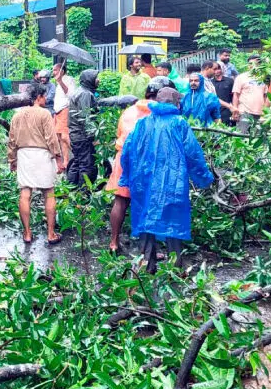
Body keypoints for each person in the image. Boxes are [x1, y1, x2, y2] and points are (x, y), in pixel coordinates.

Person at [119, 87, 213, 274]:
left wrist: (127, 177)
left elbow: (127, 152)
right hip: (172, 183)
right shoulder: (179, 123)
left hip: (143, 183)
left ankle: (147, 265)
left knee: (146, 221)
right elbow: (192, 153)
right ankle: (174, 269)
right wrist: (204, 178)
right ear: (176, 103)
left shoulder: (142, 123)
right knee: (173, 224)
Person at [106, 77, 173, 252]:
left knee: (120, 201)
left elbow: (120, 134)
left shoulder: (129, 111)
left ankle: (113, 242)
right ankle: (148, 251)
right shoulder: (160, 114)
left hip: (123, 159)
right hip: (146, 162)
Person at [7, 83, 65, 244]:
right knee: (49, 193)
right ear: (38, 97)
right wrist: (59, 159)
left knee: (25, 193)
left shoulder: (17, 115)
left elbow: (11, 141)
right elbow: (51, 139)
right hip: (42, 155)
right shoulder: (44, 114)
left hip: (24, 155)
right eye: (44, 96)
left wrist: (12, 160)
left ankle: (27, 233)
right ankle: (51, 233)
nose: (46, 98)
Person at [67, 69, 99, 187]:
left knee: (78, 162)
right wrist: (93, 136)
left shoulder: (81, 91)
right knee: (86, 165)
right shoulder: (85, 94)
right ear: (89, 79)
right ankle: (82, 195)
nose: (98, 80)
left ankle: (69, 189)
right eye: (96, 78)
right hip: (82, 135)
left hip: (76, 134)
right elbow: (86, 117)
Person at [232, 57, 271, 133]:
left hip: (260, 113)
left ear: (260, 65)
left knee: (258, 137)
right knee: (242, 136)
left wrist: (266, 113)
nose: (252, 66)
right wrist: (235, 110)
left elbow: (266, 96)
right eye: (250, 64)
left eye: (255, 64)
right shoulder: (241, 77)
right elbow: (236, 95)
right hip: (244, 112)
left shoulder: (263, 78)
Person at [52, 63, 75, 168]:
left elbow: (71, 94)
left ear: (62, 71)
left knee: (65, 136)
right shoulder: (57, 81)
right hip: (57, 111)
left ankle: (79, 154)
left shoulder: (69, 79)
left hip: (65, 109)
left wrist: (60, 81)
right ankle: (66, 161)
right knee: (60, 137)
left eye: (55, 70)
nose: (53, 72)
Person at [208, 61, 237, 126]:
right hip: (215, 110)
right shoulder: (210, 83)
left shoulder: (229, 81)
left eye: (219, 68)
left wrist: (234, 109)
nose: (217, 71)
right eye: (215, 69)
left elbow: (234, 96)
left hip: (227, 110)